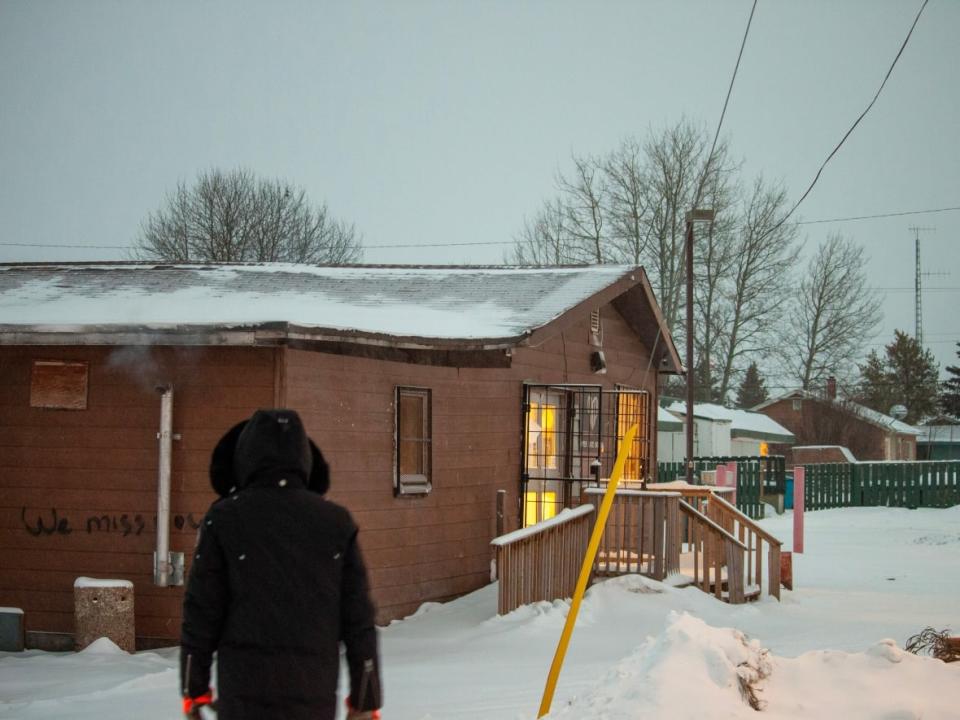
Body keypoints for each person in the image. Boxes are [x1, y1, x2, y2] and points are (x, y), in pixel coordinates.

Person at [180, 409, 382, 719]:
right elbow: (359, 620)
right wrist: (365, 698)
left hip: (243, 692)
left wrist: (194, 690)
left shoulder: (224, 520)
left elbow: (201, 612)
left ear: (244, 457)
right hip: (312, 690)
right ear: (305, 458)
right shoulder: (335, 523)